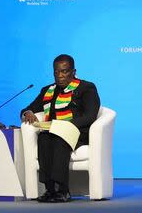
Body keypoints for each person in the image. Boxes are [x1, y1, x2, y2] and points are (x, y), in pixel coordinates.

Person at [21, 54, 100, 203]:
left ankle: (62, 190)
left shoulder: (86, 88)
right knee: (43, 138)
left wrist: (66, 125)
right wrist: (28, 112)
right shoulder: (48, 90)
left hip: (77, 132)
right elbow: (29, 108)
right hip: (53, 131)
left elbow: (90, 116)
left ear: (73, 71)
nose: (60, 76)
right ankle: (49, 189)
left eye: (64, 71)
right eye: (56, 72)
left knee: (59, 137)